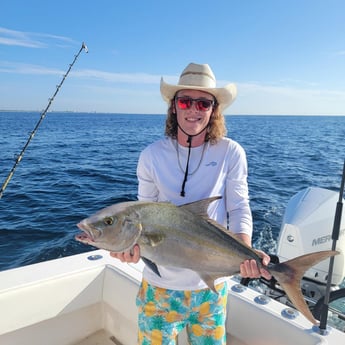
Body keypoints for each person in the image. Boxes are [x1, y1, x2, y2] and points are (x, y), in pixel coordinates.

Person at [111, 62, 271, 344]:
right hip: (159, 289)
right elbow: (143, 216)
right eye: (186, 101)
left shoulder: (230, 152)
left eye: (204, 103)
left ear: (214, 109)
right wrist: (128, 247)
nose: (194, 109)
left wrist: (245, 251)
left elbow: (238, 207)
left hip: (212, 288)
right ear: (174, 107)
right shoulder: (151, 156)